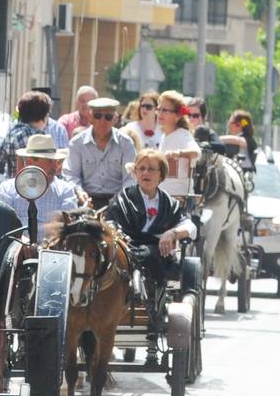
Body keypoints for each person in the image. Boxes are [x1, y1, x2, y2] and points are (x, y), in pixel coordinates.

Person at [105, 148, 197, 286]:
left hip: (159, 253)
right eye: (141, 169)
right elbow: (110, 225)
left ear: (161, 174)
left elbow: (190, 227)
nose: (145, 173)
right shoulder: (123, 200)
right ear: (135, 173)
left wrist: (171, 233)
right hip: (126, 250)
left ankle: (155, 302)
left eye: (151, 169)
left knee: (151, 255)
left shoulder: (169, 203)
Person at [0, 133, 81, 230]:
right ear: (30, 161)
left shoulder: (65, 191)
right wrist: (20, 242)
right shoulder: (7, 190)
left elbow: (67, 231)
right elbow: (2, 227)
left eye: (56, 161)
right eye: (49, 161)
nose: (55, 166)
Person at [63, 97, 137, 210]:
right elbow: (71, 174)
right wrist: (79, 192)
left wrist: (120, 198)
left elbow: (131, 178)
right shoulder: (77, 143)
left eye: (108, 117)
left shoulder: (126, 143)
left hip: (118, 201)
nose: (102, 121)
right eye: (97, 116)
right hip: (86, 200)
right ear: (90, 117)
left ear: (115, 119)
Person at [0, 90, 70, 177]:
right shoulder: (39, 139)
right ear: (43, 116)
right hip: (37, 185)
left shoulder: (12, 133)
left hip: (14, 184)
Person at [156, 90, 200, 198]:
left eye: (165, 110)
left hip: (179, 200)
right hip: (164, 197)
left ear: (177, 116)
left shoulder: (182, 135)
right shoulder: (164, 136)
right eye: (159, 109)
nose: (160, 113)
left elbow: (196, 152)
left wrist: (178, 153)